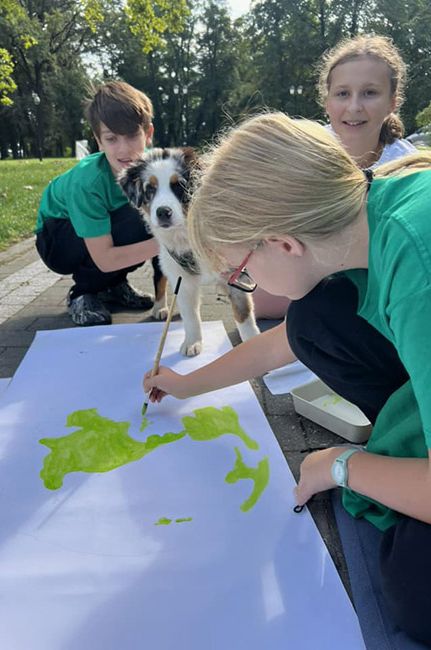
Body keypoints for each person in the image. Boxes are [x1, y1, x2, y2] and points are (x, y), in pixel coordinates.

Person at [143, 112, 431, 646]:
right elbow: (287, 340)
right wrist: (188, 384)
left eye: (240, 273)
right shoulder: (362, 218)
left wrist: (343, 465)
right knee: (315, 319)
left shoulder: (419, 273)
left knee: (415, 591)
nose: (247, 285)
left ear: (283, 242)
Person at [252, 33, 416, 320]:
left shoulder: (406, 165)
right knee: (262, 302)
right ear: (326, 102)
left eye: (369, 93)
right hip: (311, 262)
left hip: (377, 273)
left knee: (324, 311)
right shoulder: (302, 149)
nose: (354, 107)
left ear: (392, 102)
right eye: (342, 93)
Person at [35, 81, 160, 326]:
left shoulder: (150, 172)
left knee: (146, 219)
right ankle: (82, 293)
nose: (124, 150)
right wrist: (168, 242)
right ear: (98, 141)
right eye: (112, 138)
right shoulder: (88, 182)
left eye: (133, 135)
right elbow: (105, 258)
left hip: (96, 228)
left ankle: (113, 286)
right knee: (139, 224)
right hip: (57, 238)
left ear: (148, 135)